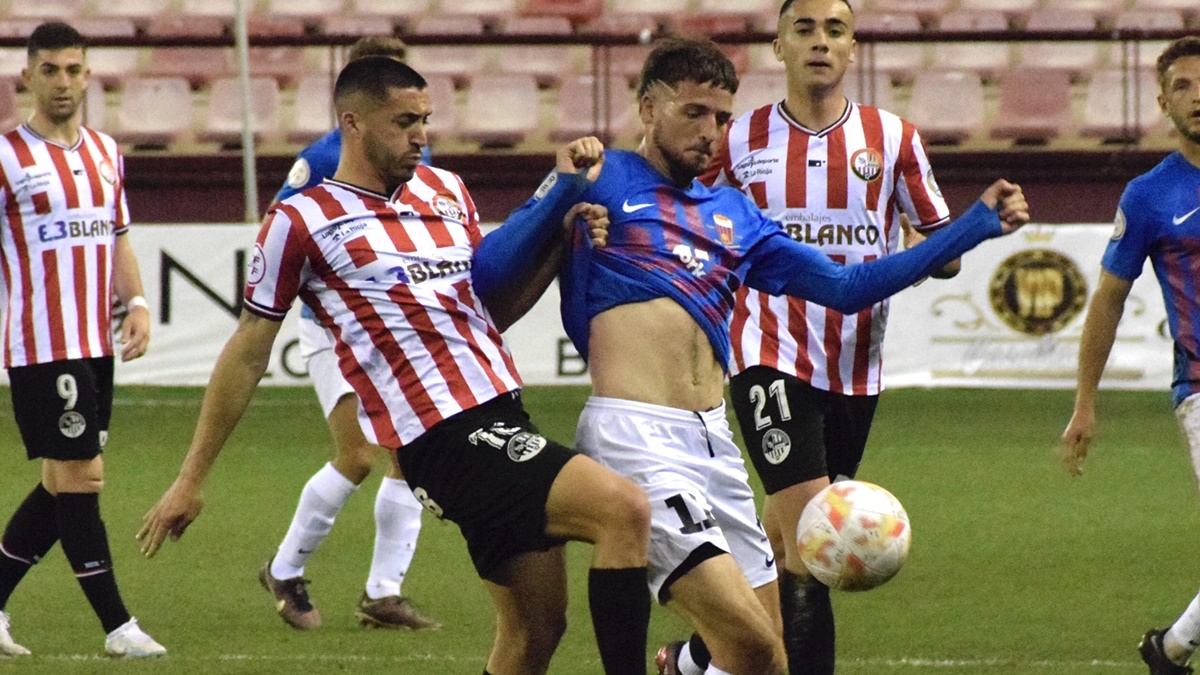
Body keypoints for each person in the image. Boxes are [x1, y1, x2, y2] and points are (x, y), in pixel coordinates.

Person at [137, 57, 654, 675]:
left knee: (535, 632)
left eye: (427, 120)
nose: (421, 136)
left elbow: (489, 311)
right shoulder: (301, 219)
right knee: (624, 510)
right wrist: (191, 478)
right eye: (404, 122)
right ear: (352, 124)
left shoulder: (447, 192)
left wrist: (558, 241)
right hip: (439, 437)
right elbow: (249, 349)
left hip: (501, 413)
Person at [551, 37, 1029, 675]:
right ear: (647, 108)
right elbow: (555, 302)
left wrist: (971, 226)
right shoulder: (602, 179)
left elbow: (844, 287)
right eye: (693, 113)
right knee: (749, 643)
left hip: (713, 443)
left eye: (721, 118)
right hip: (637, 437)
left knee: (764, 658)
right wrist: (571, 238)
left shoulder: (735, 215)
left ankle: (680, 667)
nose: (710, 133)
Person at [683, 1, 958, 672]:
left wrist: (930, 248)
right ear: (778, 45)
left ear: (853, 49)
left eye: (834, 30)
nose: (818, 42)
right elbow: (682, 210)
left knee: (785, 543)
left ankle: (693, 661)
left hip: (854, 366)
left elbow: (942, 245)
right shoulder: (738, 139)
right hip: (766, 352)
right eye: (803, 28)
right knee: (817, 539)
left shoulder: (892, 139)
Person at [261, 35, 439, 632]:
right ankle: (286, 569)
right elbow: (280, 235)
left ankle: (382, 593)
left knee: (402, 457)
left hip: (394, 331)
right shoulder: (319, 159)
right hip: (333, 328)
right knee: (361, 455)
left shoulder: (422, 158)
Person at [0, 22, 165, 658]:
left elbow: (116, 233)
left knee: (60, 480)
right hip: (42, 346)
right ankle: (118, 627)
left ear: (88, 75)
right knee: (83, 477)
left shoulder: (104, 151)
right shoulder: (9, 157)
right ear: (28, 77)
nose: (63, 82)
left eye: (73, 70)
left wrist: (139, 303)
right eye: (50, 70)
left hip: (92, 344)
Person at [1061, 36, 1200, 675]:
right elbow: (1108, 302)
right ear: (1162, 102)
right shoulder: (1149, 196)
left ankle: (1170, 650)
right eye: (1183, 86)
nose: (1197, 97)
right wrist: (1085, 402)